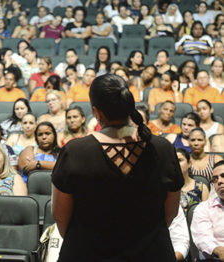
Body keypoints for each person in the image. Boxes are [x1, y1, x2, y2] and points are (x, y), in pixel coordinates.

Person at [52, 74, 183, 261]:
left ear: (96, 112)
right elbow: (170, 213)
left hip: (87, 252)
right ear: (129, 106)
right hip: (151, 251)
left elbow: (60, 215)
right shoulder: (163, 148)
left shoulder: (75, 151)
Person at [191, 161, 224, 261]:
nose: (219, 181)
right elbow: (203, 238)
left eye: (223, 176)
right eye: (215, 179)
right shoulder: (203, 208)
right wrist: (218, 250)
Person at [176, 148, 209, 214]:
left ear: (189, 163)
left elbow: (207, 214)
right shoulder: (167, 189)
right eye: (173, 161)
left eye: (179, 160)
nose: (176, 164)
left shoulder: (202, 187)